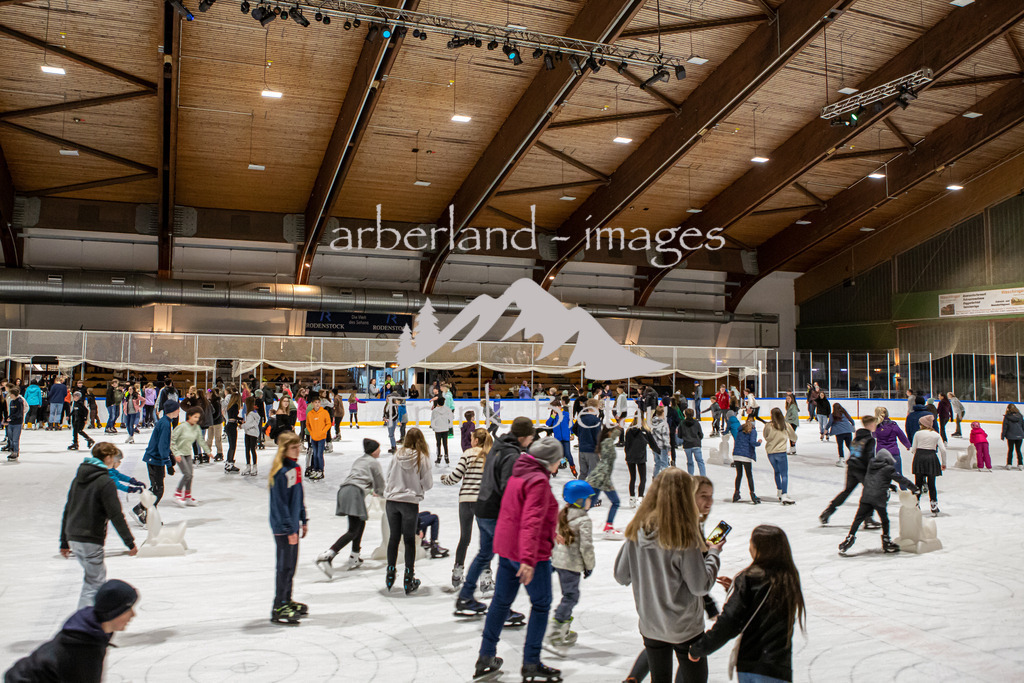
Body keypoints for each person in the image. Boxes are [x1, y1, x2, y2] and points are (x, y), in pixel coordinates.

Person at [614, 468, 723, 683]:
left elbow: (621, 575)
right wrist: (714, 554)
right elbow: (700, 586)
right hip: (684, 628)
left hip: (651, 625)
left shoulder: (638, 531)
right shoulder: (684, 536)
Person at [473, 437, 564, 683]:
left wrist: (551, 529)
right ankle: (531, 662)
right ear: (550, 461)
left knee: (501, 603)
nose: (559, 464)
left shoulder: (519, 474)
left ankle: (486, 656)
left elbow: (519, 512)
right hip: (530, 554)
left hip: (507, 550)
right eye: (559, 460)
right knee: (542, 604)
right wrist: (528, 559)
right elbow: (530, 520)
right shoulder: (539, 482)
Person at [688, 525, 804, 683]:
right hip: (779, 666)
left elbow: (730, 622)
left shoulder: (749, 578)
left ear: (757, 548)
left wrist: (699, 648)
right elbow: (766, 606)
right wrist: (733, 589)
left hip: (754, 664)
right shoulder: (788, 578)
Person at [455, 416, 535, 621]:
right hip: (495, 512)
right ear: (525, 437)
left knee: (485, 553)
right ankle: (502, 609)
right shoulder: (512, 455)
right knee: (508, 561)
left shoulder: (499, 446)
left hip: (482, 507)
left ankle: (465, 597)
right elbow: (509, 488)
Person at [3, 579, 138, 683]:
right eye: (128, 609)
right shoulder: (82, 649)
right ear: (113, 612)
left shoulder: (93, 632)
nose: (133, 615)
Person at [60, 443, 138, 608]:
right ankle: (84, 625)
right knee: (94, 583)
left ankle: (86, 622)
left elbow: (68, 509)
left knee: (92, 580)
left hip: (73, 536)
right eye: (114, 458)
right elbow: (116, 515)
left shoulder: (79, 477)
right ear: (108, 458)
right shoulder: (105, 481)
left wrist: (64, 542)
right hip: (90, 538)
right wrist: (130, 542)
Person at [316, 438, 385, 577]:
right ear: (373, 451)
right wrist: (380, 493)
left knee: (360, 522)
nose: (380, 451)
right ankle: (328, 554)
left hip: (345, 491)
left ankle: (355, 555)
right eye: (378, 448)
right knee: (353, 530)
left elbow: (360, 478)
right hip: (354, 493)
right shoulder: (374, 463)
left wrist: (371, 491)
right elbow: (380, 483)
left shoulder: (360, 460)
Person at [839, 447, 917, 556]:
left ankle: (850, 537)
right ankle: (886, 541)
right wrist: (914, 488)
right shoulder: (888, 469)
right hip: (878, 498)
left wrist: (889, 485)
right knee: (885, 520)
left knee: (858, 519)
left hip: (866, 496)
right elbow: (901, 479)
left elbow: (875, 478)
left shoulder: (872, 465)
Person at [547, 479, 596, 650]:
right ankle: (557, 627)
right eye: (589, 498)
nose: (592, 501)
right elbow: (586, 546)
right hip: (571, 565)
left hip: (558, 562)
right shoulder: (584, 521)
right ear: (580, 500)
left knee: (568, 595)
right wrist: (589, 565)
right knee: (571, 596)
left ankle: (563, 628)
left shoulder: (563, 513)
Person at [383, 428, 433, 594]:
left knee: (394, 538)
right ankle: (408, 576)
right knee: (409, 540)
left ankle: (390, 573)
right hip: (409, 502)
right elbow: (428, 484)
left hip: (392, 501)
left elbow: (388, 476)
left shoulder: (397, 455)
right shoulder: (422, 457)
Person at [442, 427, 492, 590]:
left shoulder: (468, 454)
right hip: (483, 502)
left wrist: (444, 479)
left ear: (476, 440)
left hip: (466, 500)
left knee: (465, 538)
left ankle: (457, 573)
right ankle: (486, 578)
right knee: (485, 540)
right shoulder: (491, 456)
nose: (470, 441)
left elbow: (455, 477)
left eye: (472, 438)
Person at [267, 432, 308, 625]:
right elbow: (280, 504)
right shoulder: (280, 472)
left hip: (293, 524)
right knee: (283, 567)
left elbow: (298, 496)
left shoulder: (296, 469)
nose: (298, 450)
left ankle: (287, 599)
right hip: (283, 528)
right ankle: (278, 606)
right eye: (294, 447)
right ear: (284, 450)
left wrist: (303, 519)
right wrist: (289, 530)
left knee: (291, 566)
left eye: (299, 446)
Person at [820, 416, 882, 526]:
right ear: (871, 425)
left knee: (846, 491)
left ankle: (828, 512)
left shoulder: (857, 437)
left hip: (852, 468)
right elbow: (869, 458)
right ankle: (868, 519)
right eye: (874, 424)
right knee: (871, 492)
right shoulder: (870, 439)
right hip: (862, 470)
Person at [132, 400, 180, 525]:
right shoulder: (165, 424)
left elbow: (164, 445)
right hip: (155, 459)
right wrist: (168, 463)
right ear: (172, 411)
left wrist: (169, 455)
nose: (179, 411)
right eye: (178, 409)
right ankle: (145, 512)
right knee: (158, 489)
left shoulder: (165, 422)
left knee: (156, 488)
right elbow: (162, 445)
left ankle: (144, 511)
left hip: (155, 458)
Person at [587, 425, 624, 538]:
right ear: (609, 433)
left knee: (590, 504)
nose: (616, 434)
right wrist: (607, 481)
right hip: (602, 477)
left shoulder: (606, 441)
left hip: (598, 477)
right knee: (616, 502)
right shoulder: (608, 442)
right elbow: (606, 464)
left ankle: (571, 524)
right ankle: (608, 527)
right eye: (613, 432)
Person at [171, 406, 210, 506]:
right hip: (179, 453)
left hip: (188, 453)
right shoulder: (182, 427)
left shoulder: (196, 428)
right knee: (187, 474)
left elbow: (200, 440)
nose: (196, 419)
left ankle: (187, 496)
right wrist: (176, 453)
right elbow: (172, 440)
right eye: (195, 417)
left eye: (198, 417)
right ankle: (177, 493)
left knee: (190, 475)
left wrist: (208, 451)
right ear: (189, 416)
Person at [910, 414, 946, 516]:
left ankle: (916, 504)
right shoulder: (936, 435)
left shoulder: (918, 434)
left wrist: (916, 451)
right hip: (931, 458)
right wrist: (944, 463)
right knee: (932, 484)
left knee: (918, 484)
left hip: (919, 458)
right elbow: (943, 450)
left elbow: (913, 449)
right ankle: (933, 505)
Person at [763, 408, 797, 505]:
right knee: (784, 474)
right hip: (781, 452)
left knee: (777, 472)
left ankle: (779, 491)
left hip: (770, 453)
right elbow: (793, 437)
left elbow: (766, 437)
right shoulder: (785, 425)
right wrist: (793, 440)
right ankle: (784, 494)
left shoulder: (768, 425)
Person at [624, 418, 657, 509]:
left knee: (633, 478)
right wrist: (660, 452)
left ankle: (632, 498)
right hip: (641, 457)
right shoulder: (645, 431)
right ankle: (640, 497)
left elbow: (626, 445)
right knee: (643, 478)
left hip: (630, 457)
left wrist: (627, 455)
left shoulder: (628, 430)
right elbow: (652, 444)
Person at [733, 418, 761, 504]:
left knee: (739, 474)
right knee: (749, 475)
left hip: (736, 455)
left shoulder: (740, 430)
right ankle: (752, 494)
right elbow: (752, 442)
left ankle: (736, 493)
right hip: (746, 455)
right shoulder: (753, 431)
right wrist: (759, 443)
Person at [304, 395, 333, 481]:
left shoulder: (324, 413)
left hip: (321, 437)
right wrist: (311, 432)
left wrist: (323, 431)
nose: (317, 404)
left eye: (318, 402)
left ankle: (321, 470)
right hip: (313, 437)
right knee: (315, 454)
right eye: (315, 402)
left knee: (319, 454)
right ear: (312, 404)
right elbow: (307, 424)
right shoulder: (310, 414)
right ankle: (316, 469)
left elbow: (328, 423)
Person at [576, 398, 602, 480]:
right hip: (592, 450)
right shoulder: (595, 420)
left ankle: (580, 491)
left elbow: (574, 429)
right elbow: (598, 436)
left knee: (583, 473)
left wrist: (581, 436)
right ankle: (591, 492)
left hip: (582, 449)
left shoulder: (581, 418)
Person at [677, 408, 705, 477]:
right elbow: (700, 434)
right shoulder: (696, 423)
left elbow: (679, 435)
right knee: (700, 461)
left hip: (687, 445)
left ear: (685, 414)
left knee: (690, 462)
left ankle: (690, 476)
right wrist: (698, 439)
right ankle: (703, 476)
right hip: (696, 444)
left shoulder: (682, 423)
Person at [4, 386, 26, 461]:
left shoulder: (19, 402)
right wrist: (8, 417)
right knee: (10, 438)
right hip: (11, 423)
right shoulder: (12, 402)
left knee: (15, 439)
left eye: (11, 394)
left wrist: (12, 417)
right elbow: (11, 412)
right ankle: (12, 450)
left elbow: (19, 413)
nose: (10, 396)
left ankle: (15, 452)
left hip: (17, 423)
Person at [431, 396, 453, 465]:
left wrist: (433, 427)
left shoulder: (435, 410)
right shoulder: (448, 409)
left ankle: (438, 457)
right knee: (445, 443)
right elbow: (451, 418)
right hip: (445, 428)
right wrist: (449, 426)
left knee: (438, 444)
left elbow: (432, 419)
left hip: (437, 429)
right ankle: (446, 457)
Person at [243, 396, 261, 476]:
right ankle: (249, 466)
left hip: (251, 433)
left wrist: (241, 426)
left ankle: (253, 466)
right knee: (248, 449)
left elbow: (248, 424)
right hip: (249, 433)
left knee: (251, 449)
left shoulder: (251, 414)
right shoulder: (252, 413)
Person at [223, 388, 241, 473]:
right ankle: (230, 463)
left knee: (231, 446)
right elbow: (234, 417)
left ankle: (228, 462)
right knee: (233, 446)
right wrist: (240, 420)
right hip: (232, 426)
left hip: (229, 426)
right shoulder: (235, 405)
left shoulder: (230, 405)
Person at [1001, 404, 1024, 470]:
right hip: (1019, 435)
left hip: (1010, 436)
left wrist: (1003, 435)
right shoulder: (1020, 416)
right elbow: (1023, 425)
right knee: (1018, 450)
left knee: (1010, 450)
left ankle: (1009, 464)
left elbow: (1005, 427)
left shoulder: (1007, 417)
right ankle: (1020, 464)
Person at [650, 407, 671, 477]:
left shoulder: (653, 422)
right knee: (664, 464)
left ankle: (655, 478)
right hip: (662, 446)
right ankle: (664, 482)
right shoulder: (664, 424)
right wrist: (669, 448)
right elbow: (665, 437)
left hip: (655, 446)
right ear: (662, 413)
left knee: (657, 463)